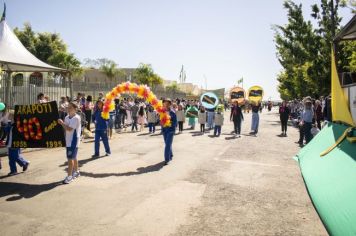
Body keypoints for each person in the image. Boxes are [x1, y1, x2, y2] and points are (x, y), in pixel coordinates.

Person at [58, 102, 81, 184]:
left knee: (70, 159)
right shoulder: (67, 117)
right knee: (74, 157)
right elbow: (65, 128)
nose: (68, 109)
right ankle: (77, 172)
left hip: (73, 141)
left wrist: (61, 123)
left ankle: (69, 177)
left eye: (70, 107)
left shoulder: (76, 118)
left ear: (75, 109)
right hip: (68, 140)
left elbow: (69, 129)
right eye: (68, 107)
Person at [5, 111, 30, 176]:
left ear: (13, 117)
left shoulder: (16, 125)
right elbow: (6, 131)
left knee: (14, 157)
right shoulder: (10, 124)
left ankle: (14, 170)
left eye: (9, 115)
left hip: (15, 143)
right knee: (12, 157)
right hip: (10, 143)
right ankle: (24, 164)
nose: (8, 117)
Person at [162, 99, 177, 165]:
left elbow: (175, 122)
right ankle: (170, 154)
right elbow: (160, 120)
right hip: (164, 130)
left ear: (170, 104)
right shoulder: (162, 112)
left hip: (170, 130)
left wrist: (172, 128)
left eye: (167, 104)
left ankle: (167, 159)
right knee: (167, 144)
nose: (166, 105)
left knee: (167, 145)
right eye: (165, 103)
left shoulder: (173, 112)